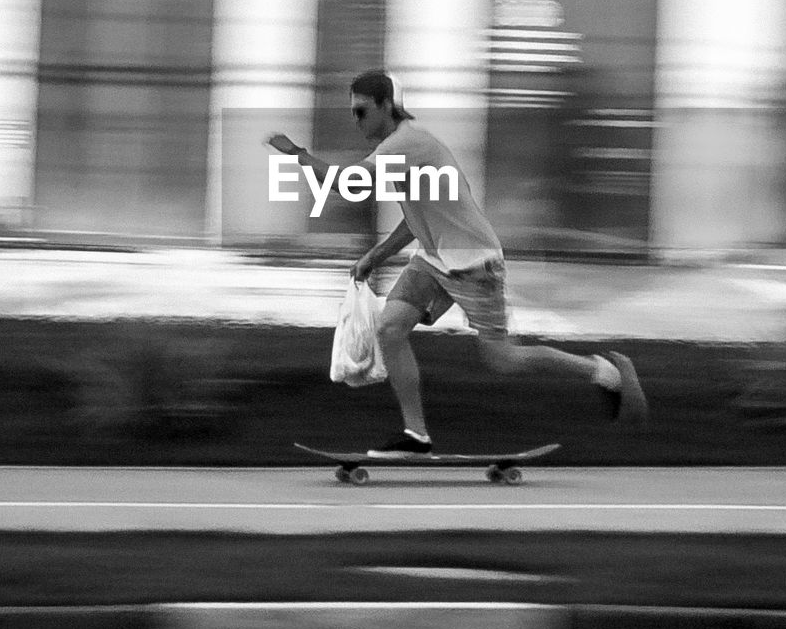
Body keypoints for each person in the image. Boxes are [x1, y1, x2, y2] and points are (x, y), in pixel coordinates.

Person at [266, 68, 646, 457]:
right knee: (390, 328)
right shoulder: (400, 150)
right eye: (353, 113)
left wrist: (297, 154)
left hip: (474, 263)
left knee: (505, 359)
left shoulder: (408, 143)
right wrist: (374, 257)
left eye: (362, 111)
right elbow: (416, 221)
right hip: (432, 261)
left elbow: (345, 185)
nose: (357, 121)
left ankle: (604, 372)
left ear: (386, 106)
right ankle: (416, 437)